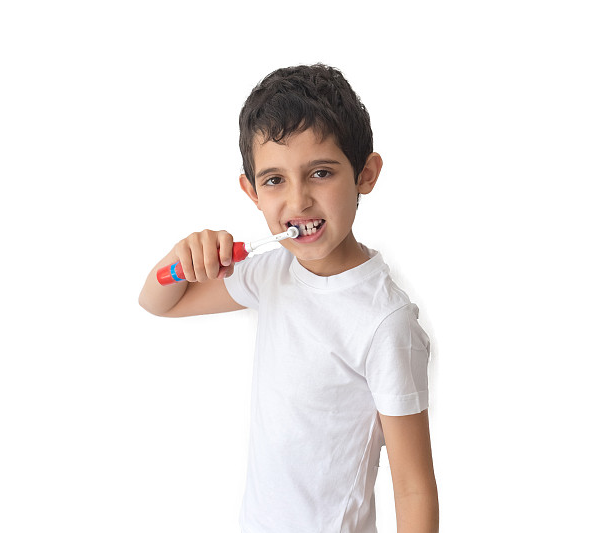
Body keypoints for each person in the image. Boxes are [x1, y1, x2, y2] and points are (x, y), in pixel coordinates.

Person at [139, 64, 438, 533]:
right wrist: (184, 256)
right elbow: (159, 302)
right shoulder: (271, 272)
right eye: (274, 180)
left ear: (365, 174)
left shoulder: (386, 323)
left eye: (320, 172)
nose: (298, 202)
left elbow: (413, 487)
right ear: (252, 192)